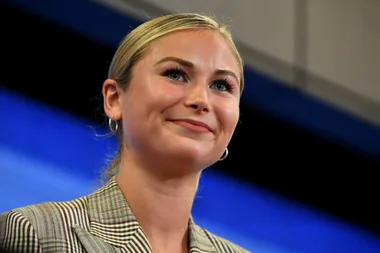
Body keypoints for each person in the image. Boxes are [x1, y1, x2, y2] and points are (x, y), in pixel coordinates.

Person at [0, 13, 248, 253]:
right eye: (175, 74)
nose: (201, 100)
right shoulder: (37, 233)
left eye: (221, 85)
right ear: (115, 98)